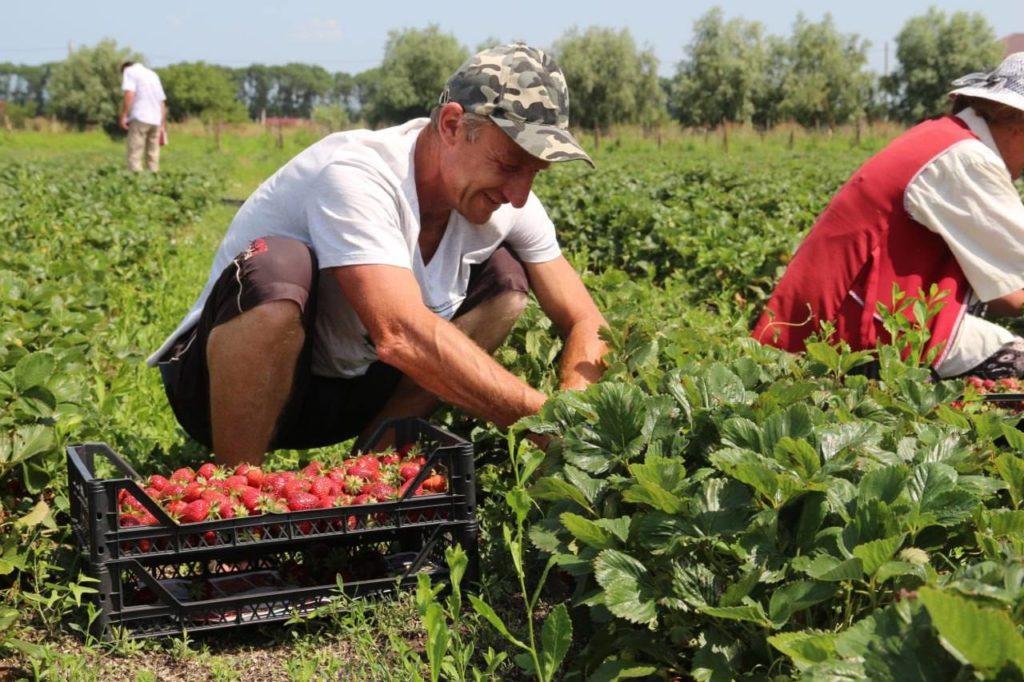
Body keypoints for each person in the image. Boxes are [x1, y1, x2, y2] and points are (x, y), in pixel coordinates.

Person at [148, 43, 609, 466]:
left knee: (505, 280)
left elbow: (588, 320)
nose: (519, 193)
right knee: (277, 267)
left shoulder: (504, 200)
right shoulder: (359, 174)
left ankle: (372, 473)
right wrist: (538, 422)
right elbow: (400, 333)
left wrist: (573, 407)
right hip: (219, 392)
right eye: (509, 164)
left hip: (348, 391)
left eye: (536, 171)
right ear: (451, 125)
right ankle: (235, 497)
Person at [752, 52, 1024, 381]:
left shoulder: (945, 137)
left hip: (828, 325)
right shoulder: (968, 160)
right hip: (858, 337)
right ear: (1018, 125)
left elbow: (1006, 297)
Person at [119, 61, 167, 173]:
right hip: (155, 119)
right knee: (153, 152)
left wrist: (124, 115)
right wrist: (162, 124)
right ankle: (155, 176)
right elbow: (162, 101)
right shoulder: (153, 74)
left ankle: (136, 180)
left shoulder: (129, 71)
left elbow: (129, 94)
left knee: (135, 151)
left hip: (140, 116)